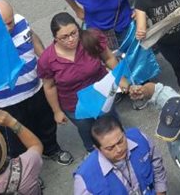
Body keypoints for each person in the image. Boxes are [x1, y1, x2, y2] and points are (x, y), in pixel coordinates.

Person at [0, 0, 73, 166]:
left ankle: (51, 149)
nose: (10, 27)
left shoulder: (20, 21)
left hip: (36, 89)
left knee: (46, 122)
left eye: (10, 21)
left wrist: (44, 57)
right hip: (9, 101)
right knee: (15, 135)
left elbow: (32, 36)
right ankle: (24, 168)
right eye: (4, 24)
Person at [37, 12, 122, 154]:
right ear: (55, 38)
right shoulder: (47, 60)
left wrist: (121, 79)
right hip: (74, 105)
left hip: (102, 95)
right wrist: (57, 111)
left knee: (110, 124)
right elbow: (49, 86)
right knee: (87, 130)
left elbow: (108, 58)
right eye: (64, 37)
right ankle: (93, 152)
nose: (71, 39)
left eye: (74, 33)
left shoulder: (92, 38)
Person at [73, 114, 168, 195]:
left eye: (120, 141)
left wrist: (161, 191)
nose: (119, 149)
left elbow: (157, 165)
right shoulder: (84, 179)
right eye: (110, 148)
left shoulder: (139, 138)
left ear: (124, 132)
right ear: (97, 149)